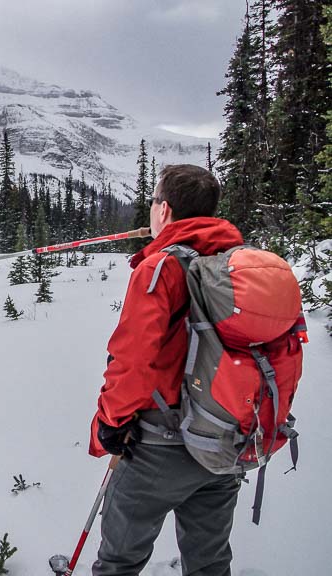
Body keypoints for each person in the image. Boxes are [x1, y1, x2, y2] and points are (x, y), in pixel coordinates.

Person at [90, 164, 244, 576]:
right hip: (226, 440)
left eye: (155, 201)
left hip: (160, 445)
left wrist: (111, 421)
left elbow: (133, 359)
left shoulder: (160, 268)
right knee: (210, 561)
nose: (153, 208)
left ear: (166, 210)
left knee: (118, 560)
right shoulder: (236, 262)